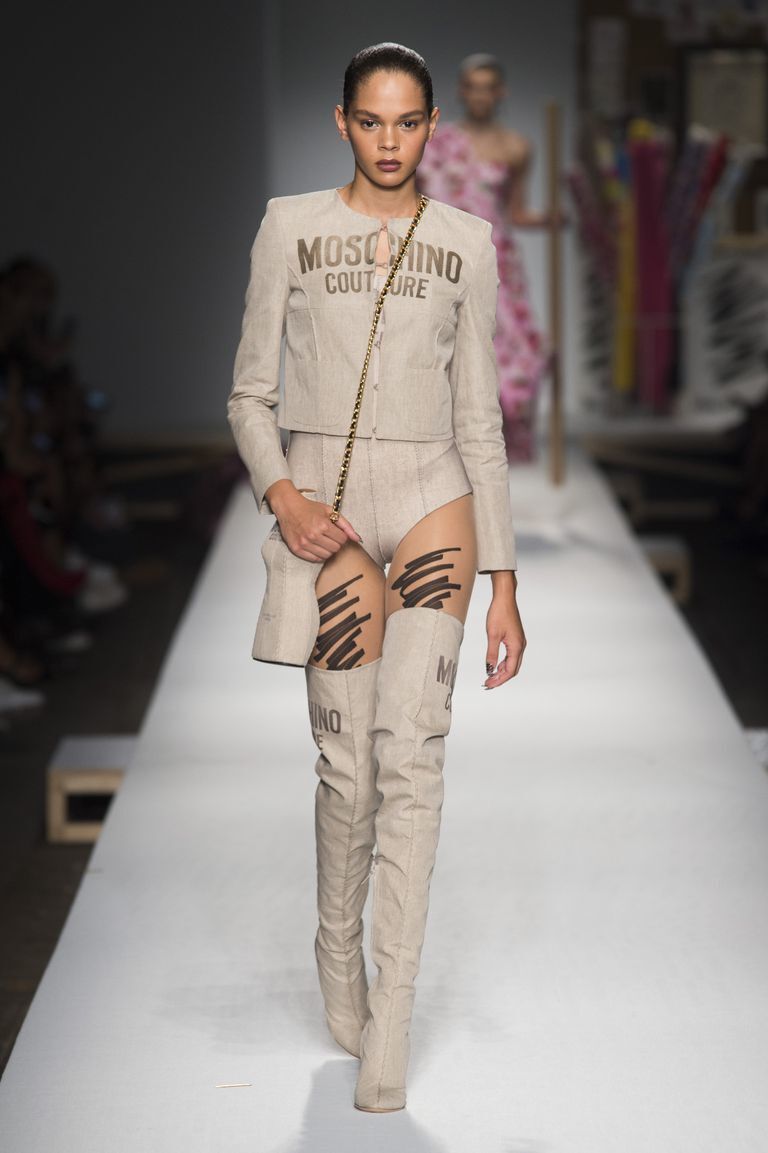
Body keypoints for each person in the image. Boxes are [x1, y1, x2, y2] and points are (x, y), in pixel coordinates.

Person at [227, 42, 526, 1114]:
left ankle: (392, 1009)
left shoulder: (467, 243)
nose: (390, 141)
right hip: (332, 513)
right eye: (372, 121)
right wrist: (284, 497)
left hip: (438, 495)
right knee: (349, 767)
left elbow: (480, 414)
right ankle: (336, 950)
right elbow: (249, 394)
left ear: (432, 125)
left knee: (416, 756)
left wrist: (504, 575)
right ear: (342, 122)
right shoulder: (289, 228)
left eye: (408, 122)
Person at [417, 52, 558, 462]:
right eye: (472, 87)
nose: (480, 96)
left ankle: (499, 441)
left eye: (488, 88)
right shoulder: (433, 144)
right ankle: (443, 443)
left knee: (511, 347)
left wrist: (551, 219)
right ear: (461, 91)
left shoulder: (516, 147)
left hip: (497, 257)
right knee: (442, 343)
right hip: (441, 256)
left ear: (501, 92)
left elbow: (515, 211)